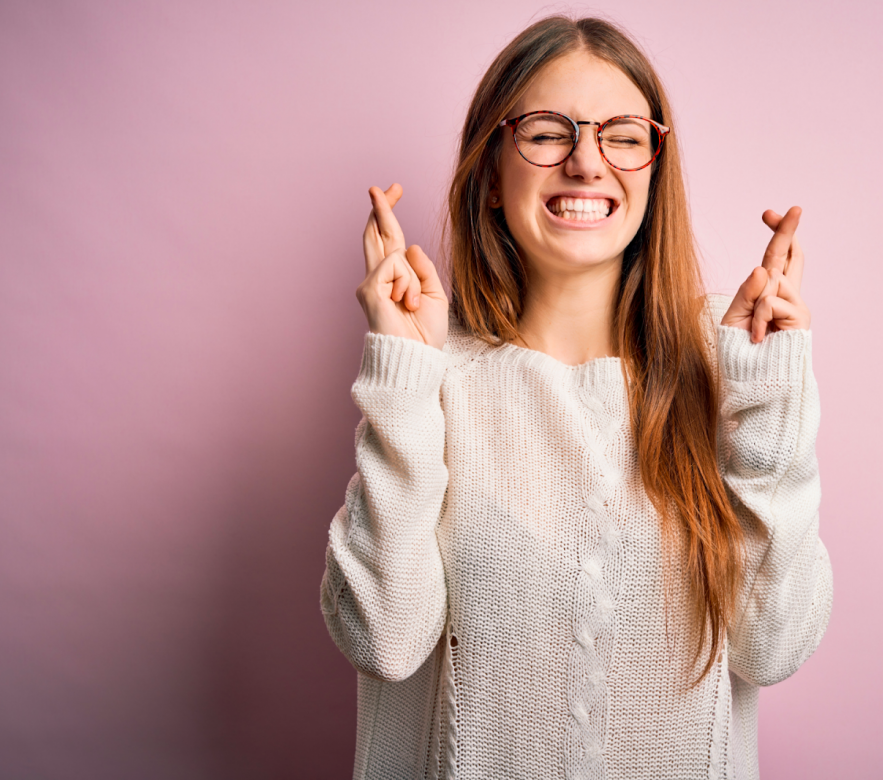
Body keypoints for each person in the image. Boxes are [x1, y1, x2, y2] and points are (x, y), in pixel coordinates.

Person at [320, 15, 832, 780]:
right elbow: (383, 642)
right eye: (547, 132)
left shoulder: (733, 364)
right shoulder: (434, 372)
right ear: (491, 173)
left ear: (654, 171)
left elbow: (776, 644)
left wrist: (764, 404)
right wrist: (403, 372)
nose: (588, 162)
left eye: (624, 135)